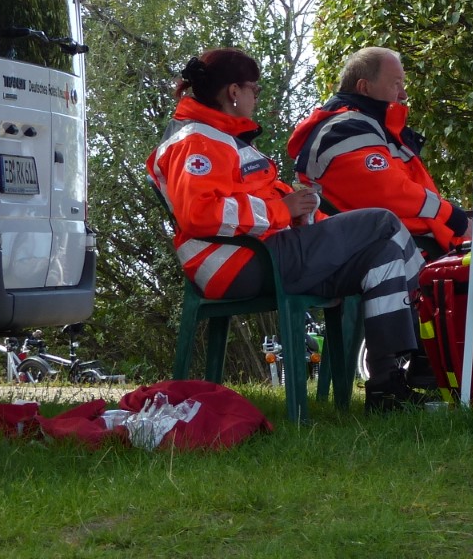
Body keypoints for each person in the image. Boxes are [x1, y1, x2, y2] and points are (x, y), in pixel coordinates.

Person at [146, 47, 426, 412]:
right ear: (234, 91)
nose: (257, 97)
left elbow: (249, 205)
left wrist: (300, 213)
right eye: (255, 89)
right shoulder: (196, 141)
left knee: (382, 256)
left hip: (264, 253)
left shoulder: (223, 138)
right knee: (382, 222)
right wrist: (283, 209)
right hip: (236, 262)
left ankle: (386, 385)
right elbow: (199, 214)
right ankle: (429, 352)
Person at [288, 46, 470, 259]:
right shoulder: (344, 128)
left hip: (406, 247)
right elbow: (389, 192)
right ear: (364, 87)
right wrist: (454, 217)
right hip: (389, 254)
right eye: (396, 84)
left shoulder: (371, 128)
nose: (403, 94)